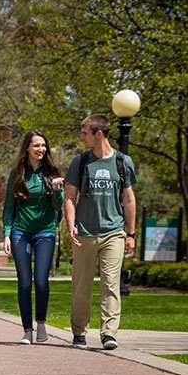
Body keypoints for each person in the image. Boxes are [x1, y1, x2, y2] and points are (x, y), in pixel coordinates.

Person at [65, 114, 137, 350]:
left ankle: (108, 333)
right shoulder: (81, 161)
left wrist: (131, 234)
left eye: (85, 132)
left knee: (111, 285)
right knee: (81, 287)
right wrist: (71, 224)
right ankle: (79, 332)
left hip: (113, 233)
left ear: (99, 134)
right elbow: (70, 197)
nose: (81, 136)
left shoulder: (123, 162)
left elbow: (129, 199)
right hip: (84, 233)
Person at [1, 131, 64, 345]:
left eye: (43, 145)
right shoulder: (17, 173)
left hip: (45, 231)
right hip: (21, 232)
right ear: (27, 147)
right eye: (36, 145)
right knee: (25, 283)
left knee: (41, 281)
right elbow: (9, 207)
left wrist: (57, 190)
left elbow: (58, 206)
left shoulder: (52, 172)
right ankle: (27, 330)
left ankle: (41, 323)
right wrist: (7, 234)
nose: (41, 149)